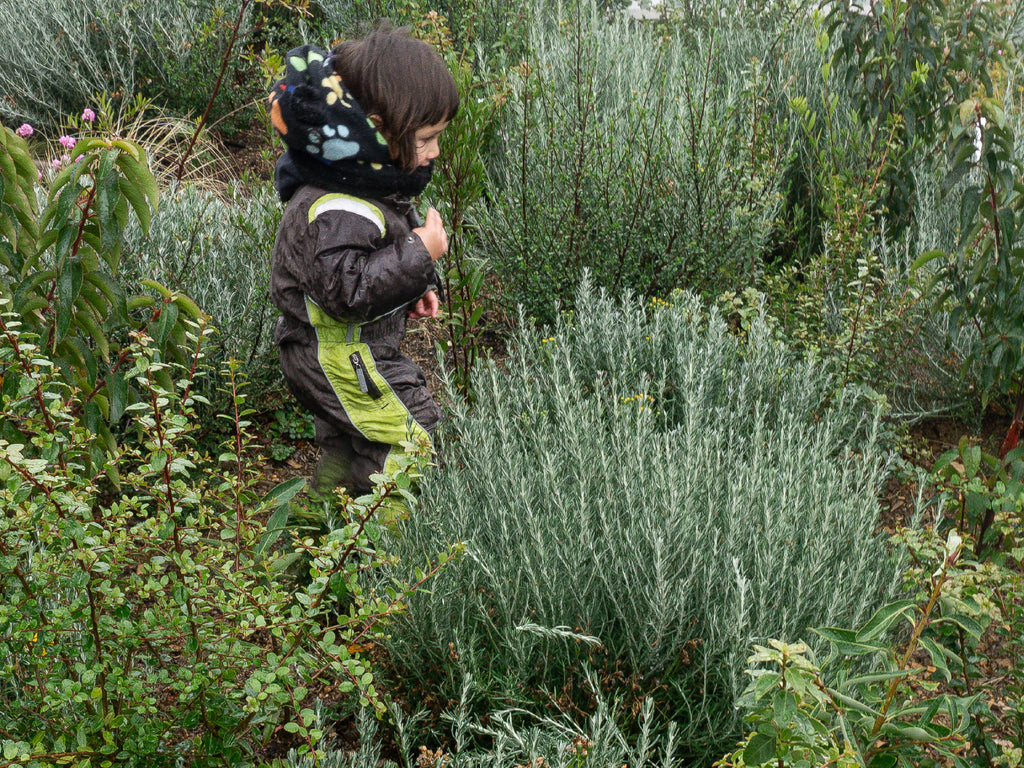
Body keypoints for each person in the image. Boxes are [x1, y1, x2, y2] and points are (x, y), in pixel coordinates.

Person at [267, 26, 458, 500]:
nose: (435, 152)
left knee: (353, 447)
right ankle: (378, 548)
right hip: (337, 354)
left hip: (337, 350)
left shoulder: (357, 178)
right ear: (379, 126)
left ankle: (319, 532)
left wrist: (412, 285)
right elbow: (348, 291)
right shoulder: (335, 205)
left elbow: (372, 253)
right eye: (427, 138)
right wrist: (419, 252)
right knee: (415, 436)